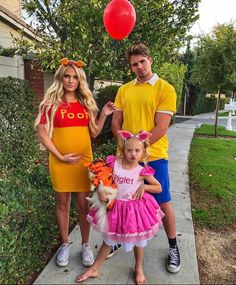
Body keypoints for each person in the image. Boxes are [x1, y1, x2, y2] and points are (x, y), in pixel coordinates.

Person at [34, 57, 115, 268]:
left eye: (75, 78)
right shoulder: (50, 103)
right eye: (67, 76)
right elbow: (42, 133)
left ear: (80, 81)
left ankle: (86, 245)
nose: (70, 81)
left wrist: (104, 114)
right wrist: (59, 156)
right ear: (61, 78)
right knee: (62, 202)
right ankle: (65, 244)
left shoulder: (86, 104)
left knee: (82, 204)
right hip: (60, 161)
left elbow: (95, 132)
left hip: (83, 162)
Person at [111, 42, 181, 273]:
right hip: (126, 156)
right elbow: (116, 122)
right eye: (134, 64)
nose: (139, 67)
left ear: (150, 60)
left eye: (142, 61)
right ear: (130, 67)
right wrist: (125, 147)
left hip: (154, 157)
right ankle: (118, 239)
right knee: (123, 199)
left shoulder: (165, 88)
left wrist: (138, 147)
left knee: (162, 201)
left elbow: (161, 127)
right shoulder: (124, 90)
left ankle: (173, 246)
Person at [76, 130, 164, 285]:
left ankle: (138, 268)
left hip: (134, 211)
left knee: (138, 241)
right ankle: (94, 268)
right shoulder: (114, 164)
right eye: (129, 150)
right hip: (115, 209)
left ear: (143, 151)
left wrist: (144, 188)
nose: (133, 154)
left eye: (137, 151)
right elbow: (100, 179)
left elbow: (158, 187)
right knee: (108, 240)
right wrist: (100, 191)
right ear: (123, 150)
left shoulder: (142, 171)